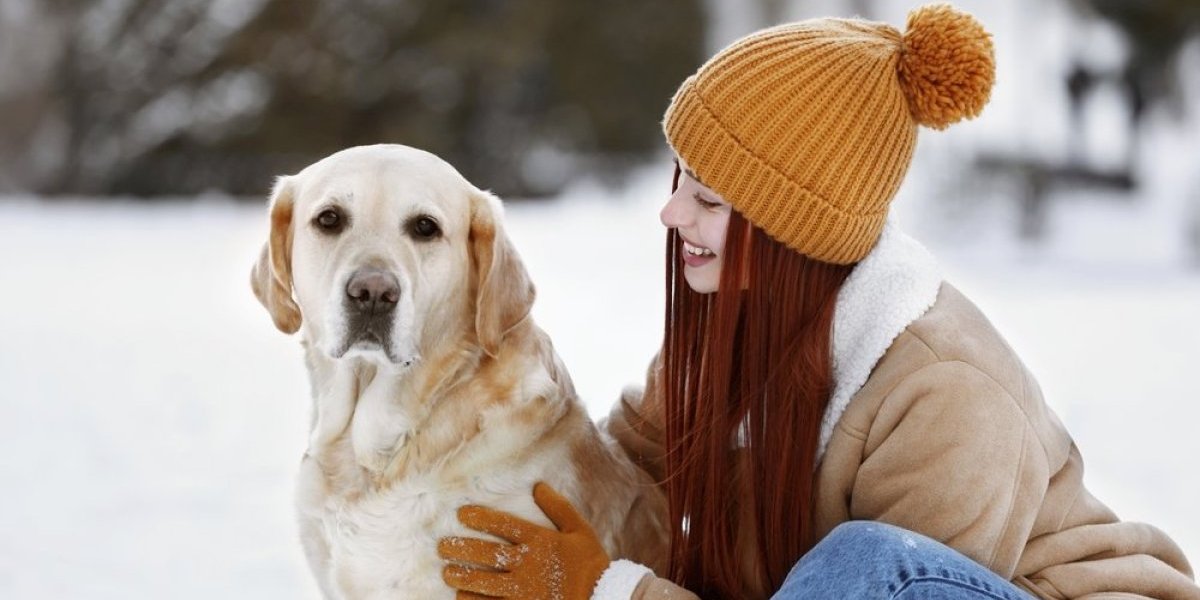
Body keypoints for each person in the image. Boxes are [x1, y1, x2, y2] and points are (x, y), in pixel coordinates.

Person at [436, 4, 1200, 599]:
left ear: (788, 229)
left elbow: (859, 591)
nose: (671, 217)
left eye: (706, 200)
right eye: (679, 185)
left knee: (868, 561)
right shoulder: (731, 328)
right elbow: (617, 475)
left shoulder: (946, 393)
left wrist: (611, 590)